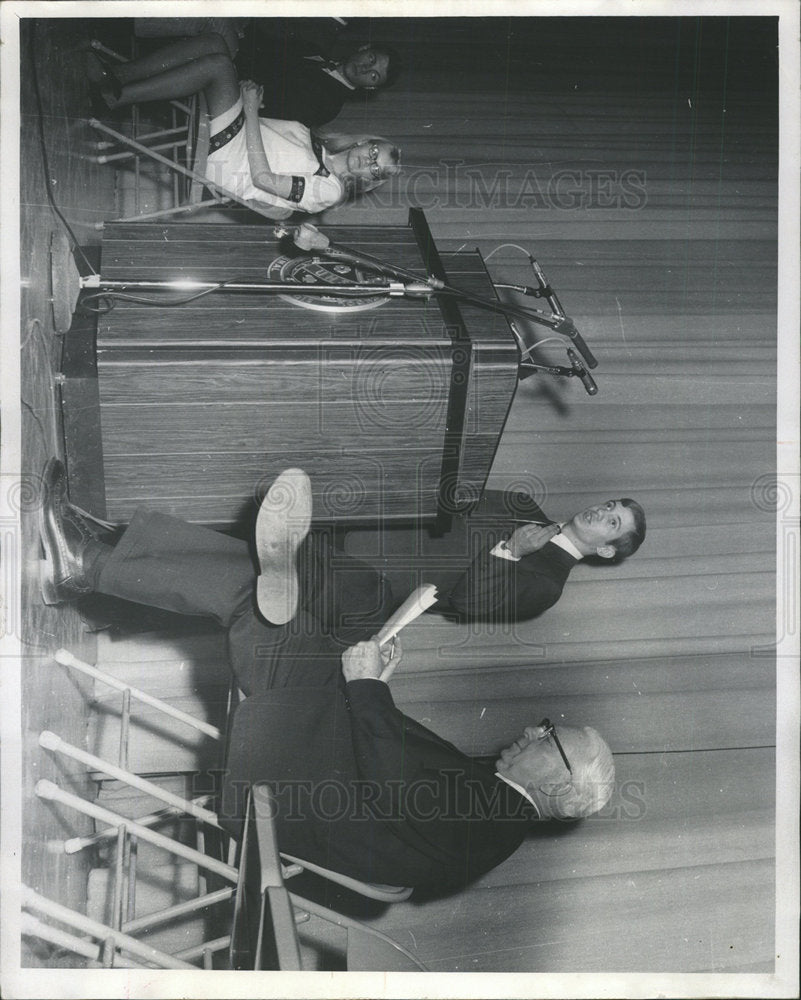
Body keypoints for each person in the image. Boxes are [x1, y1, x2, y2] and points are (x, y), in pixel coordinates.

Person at [38, 460, 616, 892]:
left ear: (559, 788)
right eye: (548, 728)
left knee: (264, 602)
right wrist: (372, 679)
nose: (536, 732)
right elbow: (393, 766)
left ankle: (93, 561)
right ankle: (100, 554)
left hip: (285, 784)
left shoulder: (494, 823)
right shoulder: (497, 810)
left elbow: (392, 781)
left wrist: (369, 688)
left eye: (551, 740)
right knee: (310, 599)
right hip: (317, 756)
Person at [85, 35, 402, 219]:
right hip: (237, 137)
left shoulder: (330, 190)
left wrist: (248, 108)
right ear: (365, 142)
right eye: (375, 151)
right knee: (215, 46)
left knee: (218, 66)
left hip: (230, 167)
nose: (369, 160)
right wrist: (244, 99)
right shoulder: (322, 145)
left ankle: (117, 94)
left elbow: (264, 179)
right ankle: (118, 77)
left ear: (369, 181)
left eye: (376, 168)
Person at [368, 488, 647, 624]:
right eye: (609, 505)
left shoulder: (548, 585)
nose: (601, 512)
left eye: (612, 523)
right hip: (373, 516)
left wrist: (511, 551)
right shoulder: (524, 504)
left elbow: (469, 603)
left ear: (606, 550)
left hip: (373, 574)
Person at [234, 31, 404, 127]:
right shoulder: (314, 50)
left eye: (374, 76)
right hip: (234, 58)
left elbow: (268, 114)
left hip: (236, 100)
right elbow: (260, 43)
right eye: (371, 59)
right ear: (364, 48)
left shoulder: (329, 105)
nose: (365, 69)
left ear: (370, 88)